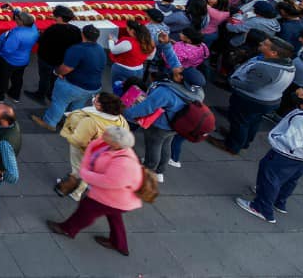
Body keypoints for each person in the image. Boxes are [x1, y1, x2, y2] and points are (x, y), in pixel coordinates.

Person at [46, 125, 144, 256]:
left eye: (106, 136)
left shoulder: (124, 164)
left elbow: (109, 181)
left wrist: (85, 174)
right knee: (114, 216)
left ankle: (68, 229)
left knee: (86, 210)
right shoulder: (117, 147)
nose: (103, 136)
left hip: (112, 198)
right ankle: (119, 244)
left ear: (115, 143)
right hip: (120, 199)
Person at [236, 87, 303, 223]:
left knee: (270, 175)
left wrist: (276, 138)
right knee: (290, 179)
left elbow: (291, 142)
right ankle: (279, 202)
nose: (300, 94)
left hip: (288, 155)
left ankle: (262, 208)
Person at [209, 37, 296, 156]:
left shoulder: (266, 68)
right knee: (253, 121)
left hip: (251, 100)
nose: (261, 43)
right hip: (269, 100)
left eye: (265, 44)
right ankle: (243, 141)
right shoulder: (287, 63)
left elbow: (250, 87)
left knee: (240, 122)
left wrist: (232, 81)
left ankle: (232, 146)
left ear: (273, 53)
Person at [124, 68, 205, 181]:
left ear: (181, 77)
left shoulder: (166, 92)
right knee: (166, 145)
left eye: (181, 71)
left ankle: (148, 170)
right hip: (176, 125)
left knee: (154, 147)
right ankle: (160, 171)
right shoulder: (199, 93)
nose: (178, 69)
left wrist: (125, 112)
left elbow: (146, 108)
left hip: (160, 126)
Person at [33, 25, 106, 132]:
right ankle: (70, 124)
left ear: (82, 34)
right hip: (93, 86)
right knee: (77, 106)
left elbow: (66, 68)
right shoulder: (100, 49)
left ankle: (49, 123)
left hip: (74, 85)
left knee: (59, 103)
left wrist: (57, 72)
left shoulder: (77, 49)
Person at [55, 92, 126, 200]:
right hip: (103, 153)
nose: (93, 99)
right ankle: (80, 187)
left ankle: (75, 191)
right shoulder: (120, 120)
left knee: (80, 170)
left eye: (96, 99)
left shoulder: (91, 121)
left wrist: (68, 134)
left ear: (99, 106)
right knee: (89, 170)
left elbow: (78, 141)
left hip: (84, 151)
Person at [0, 10, 38, 102]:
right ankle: (15, 95)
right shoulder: (33, 29)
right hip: (24, 60)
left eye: (18, 18)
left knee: (3, 77)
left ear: (22, 22)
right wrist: (14, 10)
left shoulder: (17, 35)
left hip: (10, 60)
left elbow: (8, 49)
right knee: (17, 78)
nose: (16, 19)